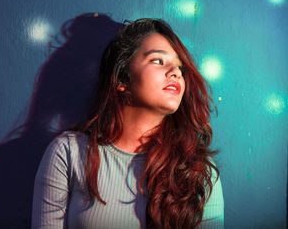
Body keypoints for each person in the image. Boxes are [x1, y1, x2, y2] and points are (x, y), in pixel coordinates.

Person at [31, 18, 224, 229]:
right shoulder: (69, 153)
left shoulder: (197, 169)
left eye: (180, 67)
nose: (176, 72)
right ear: (122, 79)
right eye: (158, 61)